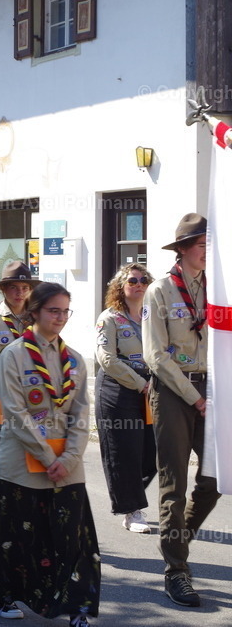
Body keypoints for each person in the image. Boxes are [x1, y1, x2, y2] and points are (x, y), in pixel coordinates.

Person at [0, 282, 98, 626]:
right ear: (35, 312)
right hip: (21, 465)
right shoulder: (13, 355)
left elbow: (81, 414)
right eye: (52, 310)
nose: (59, 318)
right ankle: (6, 596)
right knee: (16, 537)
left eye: (64, 311)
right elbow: (15, 414)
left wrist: (69, 460)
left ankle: (76, 608)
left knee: (71, 538)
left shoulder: (74, 359)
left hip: (67, 467)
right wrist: (48, 459)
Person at [142, 213, 221, 608]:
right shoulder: (159, 291)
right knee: (173, 484)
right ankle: (177, 571)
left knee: (214, 479)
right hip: (175, 390)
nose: (209, 252)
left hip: (214, 387)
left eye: (211, 244)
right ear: (184, 249)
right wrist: (194, 396)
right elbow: (155, 356)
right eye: (203, 245)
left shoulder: (219, 287)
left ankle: (176, 540)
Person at [94, 263, 156, 534]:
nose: (139, 284)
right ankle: (132, 511)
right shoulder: (109, 318)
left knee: (153, 453)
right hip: (117, 390)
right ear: (120, 287)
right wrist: (141, 384)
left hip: (151, 388)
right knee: (124, 451)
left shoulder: (153, 315)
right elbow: (107, 359)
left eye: (143, 280)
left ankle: (128, 494)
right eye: (132, 280)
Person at [0, 261, 37, 463]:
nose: (20, 293)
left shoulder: (38, 320)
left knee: (31, 464)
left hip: (33, 404)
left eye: (25, 288)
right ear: (3, 289)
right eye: (14, 288)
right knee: (4, 464)